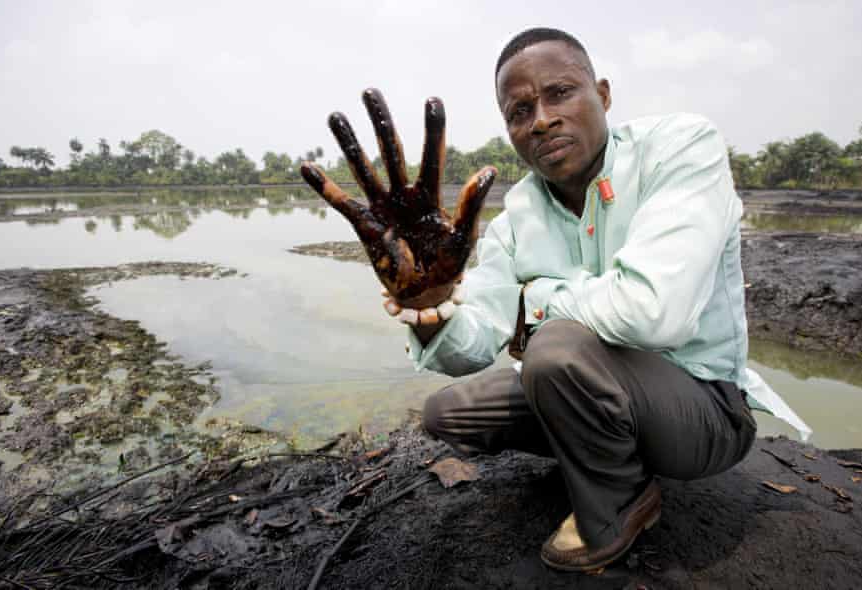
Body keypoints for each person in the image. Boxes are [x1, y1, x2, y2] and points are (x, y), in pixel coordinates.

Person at [302, 27, 810, 573]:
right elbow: (471, 347)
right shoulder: (518, 213)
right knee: (448, 411)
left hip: (704, 410)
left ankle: (621, 501)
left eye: (560, 93)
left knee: (555, 349)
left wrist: (536, 301)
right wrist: (431, 303)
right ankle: (600, 449)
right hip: (596, 388)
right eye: (520, 110)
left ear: (604, 95)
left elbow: (654, 312)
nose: (541, 119)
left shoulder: (679, 147)